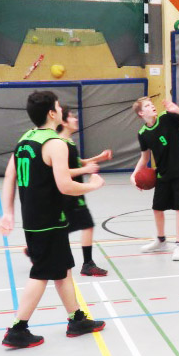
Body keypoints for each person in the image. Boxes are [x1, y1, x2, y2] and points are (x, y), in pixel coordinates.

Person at [0, 90, 106, 349]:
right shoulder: (55, 143)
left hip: (33, 217)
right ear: (51, 113)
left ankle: (76, 319)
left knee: (63, 269)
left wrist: (8, 211)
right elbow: (65, 185)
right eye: (58, 106)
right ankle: (17, 329)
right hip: (49, 218)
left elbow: (10, 176)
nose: (61, 110)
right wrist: (93, 185)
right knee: (41, 274)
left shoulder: (25, 139)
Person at [131, 97, 179, 261]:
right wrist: (134, 174)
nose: (152, 106)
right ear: (141, 113)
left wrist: (178, 110)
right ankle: (161, 240)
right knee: (157, 208)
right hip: (162, 174)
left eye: (152, 104)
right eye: (147, 106)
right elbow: (145, 157)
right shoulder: (143, 134)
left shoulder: (166, 118)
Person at [55, 106, 112, 276]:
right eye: (72, 117)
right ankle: (87, 264)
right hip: (69, 192)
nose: (75, 119)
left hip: (74, 192)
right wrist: (85, 170)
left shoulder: (69, 142)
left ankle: (35, 248)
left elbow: (76, 162)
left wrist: (98, 158)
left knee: (64, 227)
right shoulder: (60, 144)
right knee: (86, 224)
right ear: (64, 122)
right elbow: (62, 172)